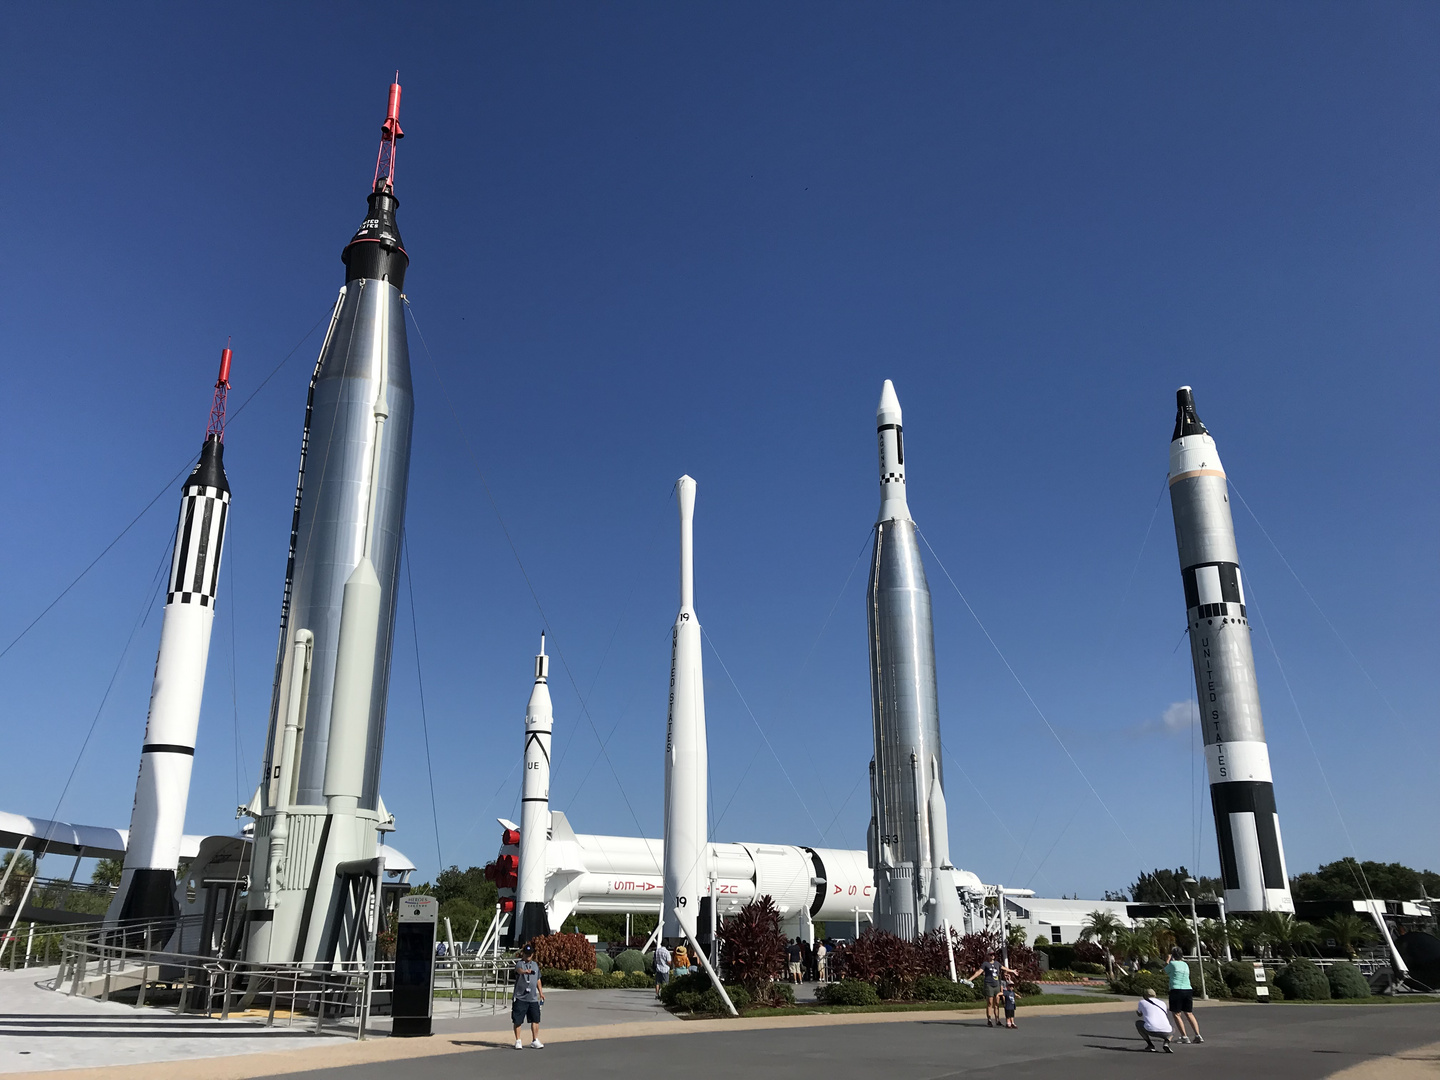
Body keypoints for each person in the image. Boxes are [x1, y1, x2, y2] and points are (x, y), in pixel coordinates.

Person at [1164, 946, 1203, 1043]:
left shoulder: (1172, 964)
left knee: (1177, 1014)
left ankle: (1184, 1036)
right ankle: (1197, 1035)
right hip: (1188, 989)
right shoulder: (1185, 964)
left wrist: (1168, 960)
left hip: (1176, 990)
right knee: (1189, 1013)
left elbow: (1165, 970)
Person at [969, 952, 1017, 1028]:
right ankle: (989, 1020)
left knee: (997, 1003)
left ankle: (997, 1020)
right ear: (988, 956)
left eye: (993, 955)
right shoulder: (985, 964)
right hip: (989, 985)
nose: (992, 956)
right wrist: (970, 979)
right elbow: (979, 972)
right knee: (990, 1002)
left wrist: (1012, 971)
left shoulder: (997, 963)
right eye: (990, 955)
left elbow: (1004, 968)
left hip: (996, 985)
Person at [511, 942, 545, 1049]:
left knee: (535, 1019)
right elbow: (518, 970)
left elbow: (538, 979)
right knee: (518, 1020)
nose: (528, 956)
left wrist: (541, 992)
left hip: (532, 998)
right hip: (521, 997)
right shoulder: (520, 964)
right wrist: (524, 972)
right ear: (523, 954)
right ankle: (518, 1040)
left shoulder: (535, 965)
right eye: (526, 954)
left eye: (530, 954)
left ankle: (535, 1040)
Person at [1135, 989, 1174, 1053]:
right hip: (1167, 1031)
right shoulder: (1162, 1003)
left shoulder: (1142, 1002)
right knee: (1172, 1029)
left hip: (1151, 1030)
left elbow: (1139, 1014)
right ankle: (1166, 1042)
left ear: (1145, 996)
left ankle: (1150, 1045)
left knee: (1138, 1023)